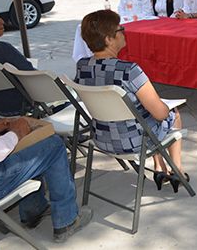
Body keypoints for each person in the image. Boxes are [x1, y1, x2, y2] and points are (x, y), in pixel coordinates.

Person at [76, 10, 188, 191]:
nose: (124, 31)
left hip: (101, 138)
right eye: (120, 29)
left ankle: (160, 168)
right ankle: (177, 170)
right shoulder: (128, 70)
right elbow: (160, 113)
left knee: (148, 118)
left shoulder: (82, 67)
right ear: (108, 39)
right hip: (132, 141)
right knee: (171, 114)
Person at [0, 112, 92, 243]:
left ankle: (34, 211)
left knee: (33, 146)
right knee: (54, 145)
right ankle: (67, 221)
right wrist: (16, 133)